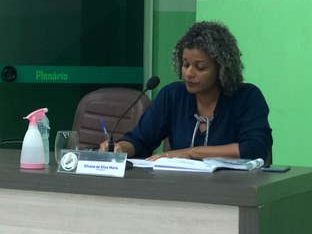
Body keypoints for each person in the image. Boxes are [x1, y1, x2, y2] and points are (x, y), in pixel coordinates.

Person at [104, 21, 272, 161]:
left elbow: (255, 148)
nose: (189, 73)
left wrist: (189, 153)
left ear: (221, 69)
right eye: (185, 64)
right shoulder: (172, 96)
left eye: (200, 67)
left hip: (233, 187)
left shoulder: (247, 97)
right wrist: (120, 148)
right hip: (182, 187)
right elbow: (140, 140)